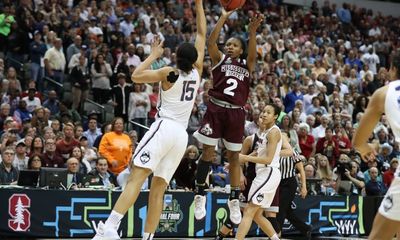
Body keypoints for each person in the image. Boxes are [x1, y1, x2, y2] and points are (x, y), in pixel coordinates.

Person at [92, 1, 206, 239]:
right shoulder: (198, 72)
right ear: (195, 59)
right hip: (181, 137)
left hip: (165, 127)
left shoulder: (168, 73)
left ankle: (110, 227)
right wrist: (199, 4)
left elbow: (135, 75)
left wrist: (153, 55)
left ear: (175, 56)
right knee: (159, 190)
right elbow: (202, 33)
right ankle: (148, 237)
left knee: (137, 176)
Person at [192, 8, 264, 224]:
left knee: (233, 158)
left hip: (236, 114)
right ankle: (199, 195)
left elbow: (253, 54)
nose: (230, 47)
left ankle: (234, 199)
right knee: (207, 153)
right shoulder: (219, 60)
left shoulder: (246, 65)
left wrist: (252, 33)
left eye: (234, 45)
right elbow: (211, 43)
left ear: (241, 50)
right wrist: (224, 16)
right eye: (229, 44)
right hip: (215, 109)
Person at [353, 50, 400, 240]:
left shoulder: (384, 93)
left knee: (377, 237)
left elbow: (358, 141)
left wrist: (365, 148)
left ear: (393, 69)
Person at [235, 104, 282, 240]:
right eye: (263, 111)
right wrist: (239, 161)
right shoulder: (265, 133)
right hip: (262, 174)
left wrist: (244, 157)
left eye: (268, 112)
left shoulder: (274, 132)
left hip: (269, 172)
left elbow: (268, 159)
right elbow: (258, 153)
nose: (264, 114)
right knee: (256, 214)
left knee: (249, 211)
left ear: (275, 116)